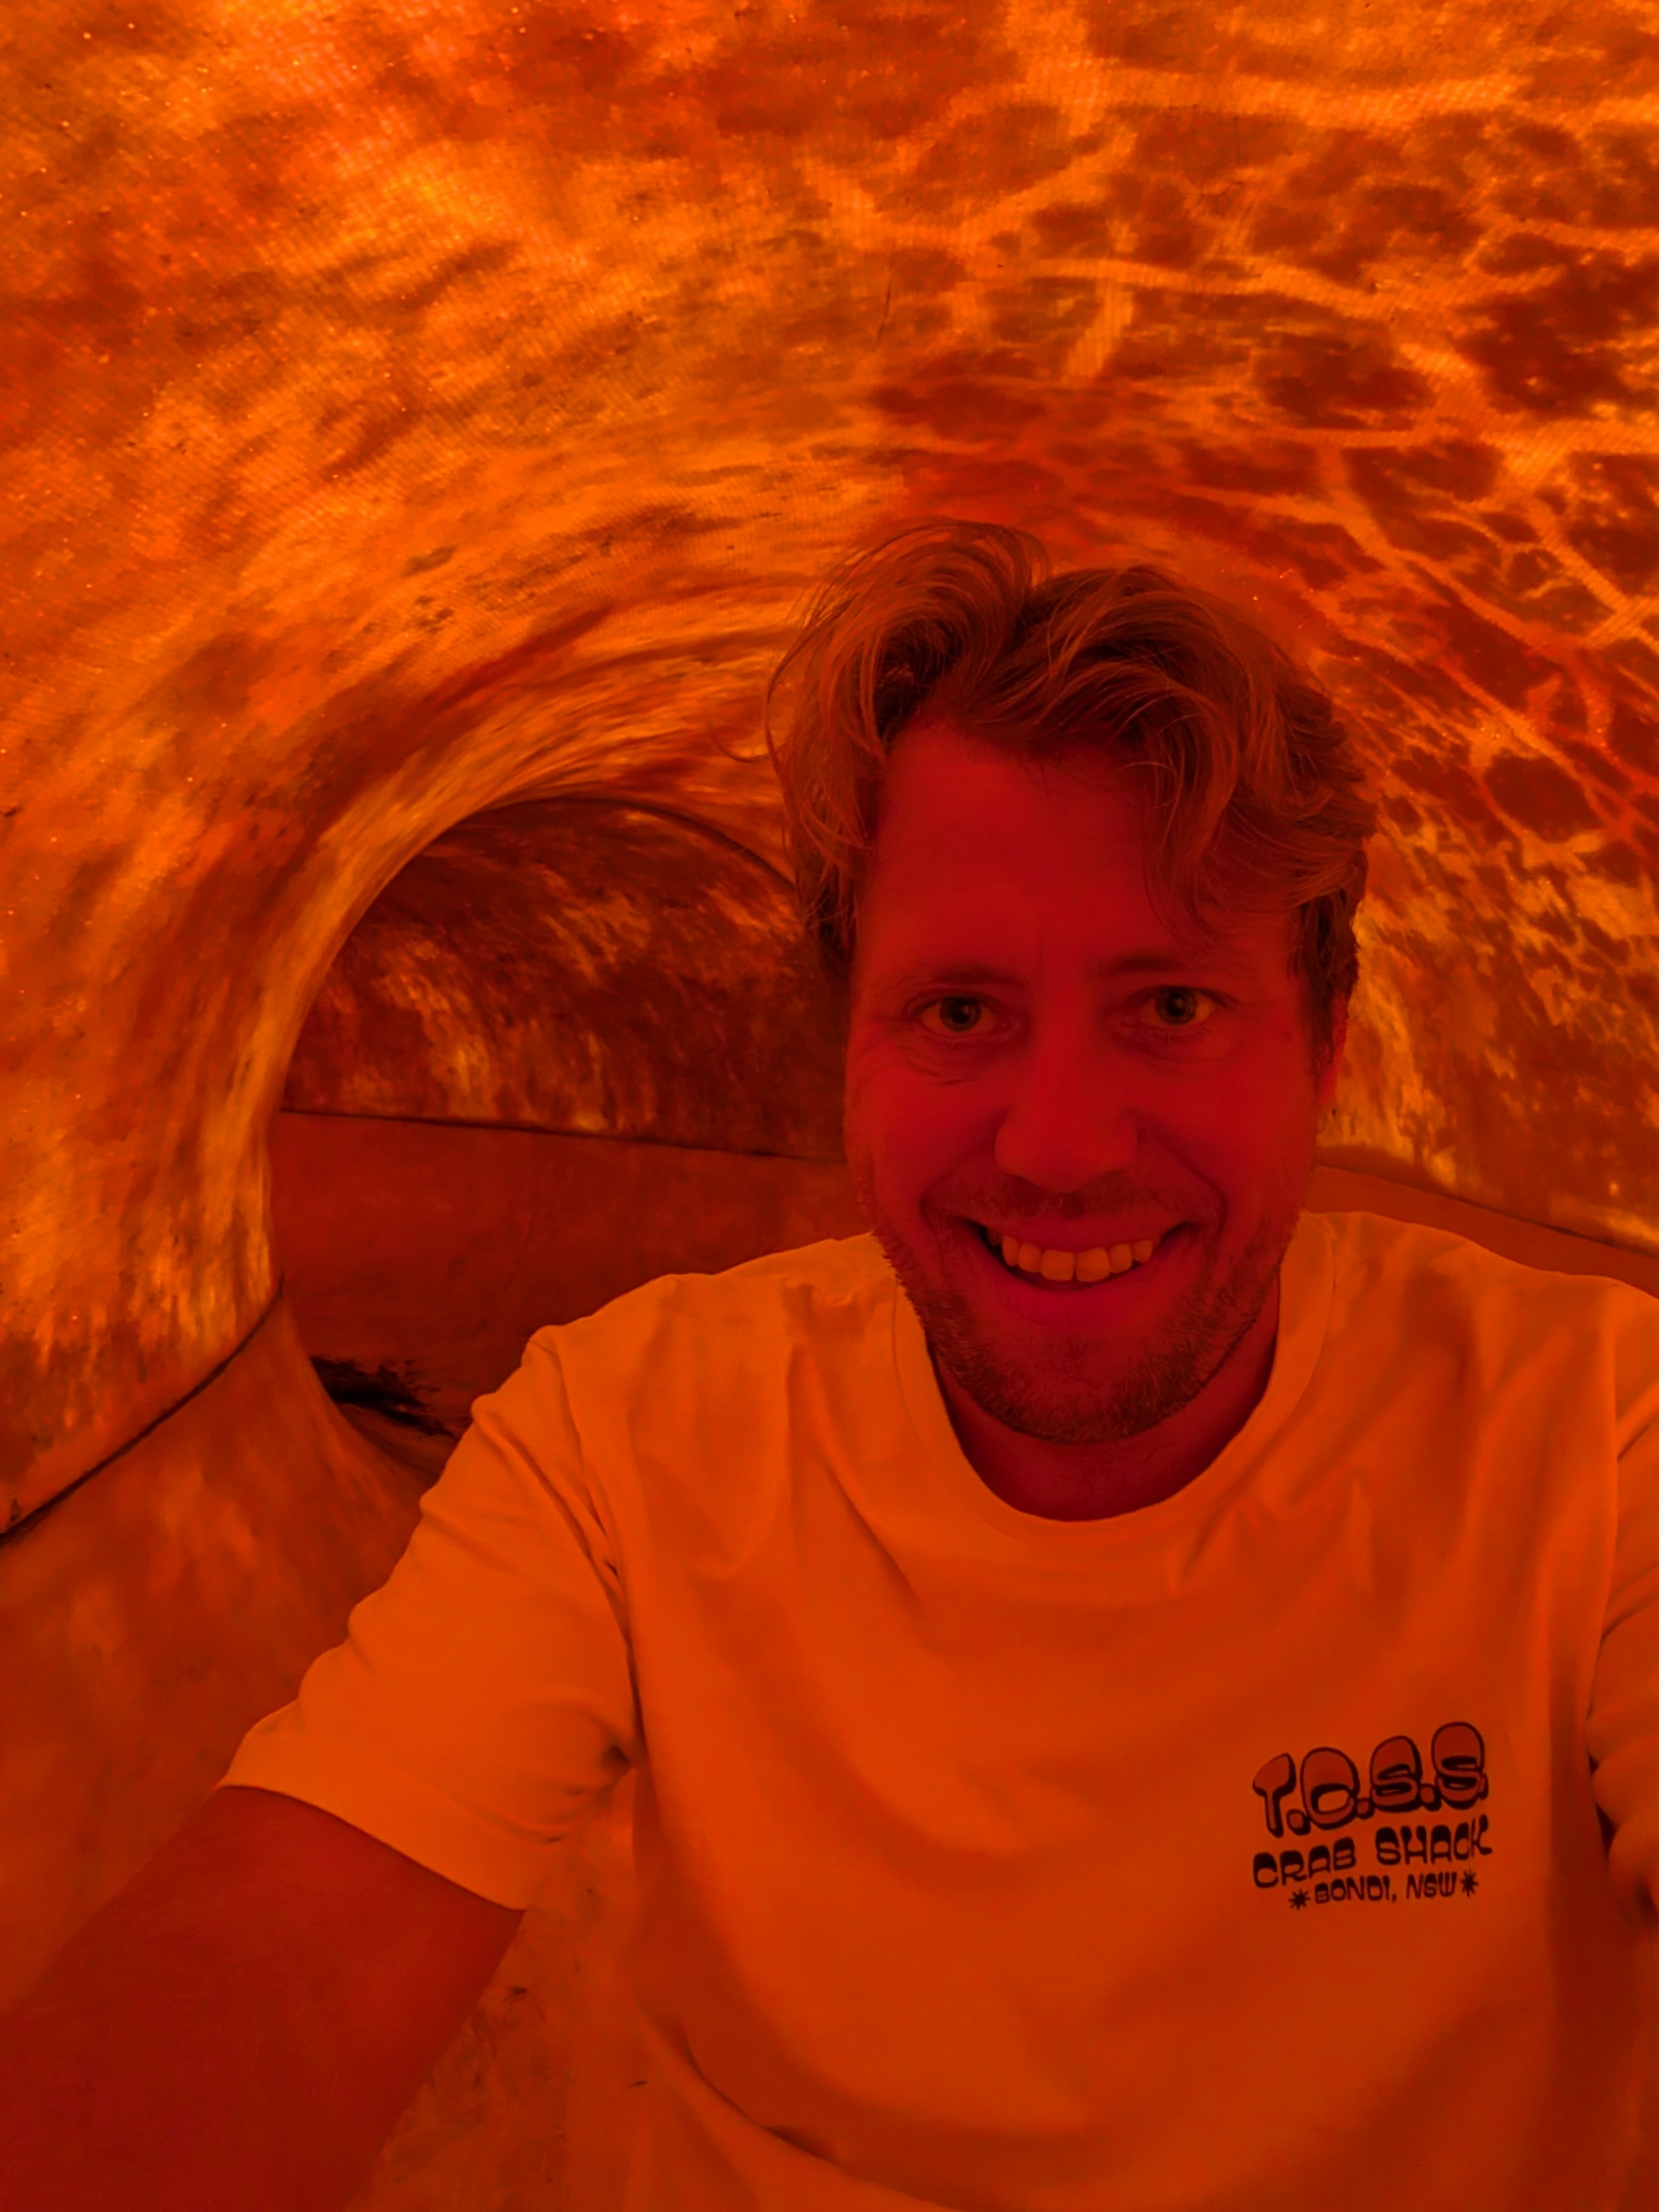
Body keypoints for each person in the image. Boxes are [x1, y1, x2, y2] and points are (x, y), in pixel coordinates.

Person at [3, 521, 1657, 2212]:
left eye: (1170, 1007)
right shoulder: (629, 1438)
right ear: (845, 1042)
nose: (1060, 1142)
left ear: (1328, 1048)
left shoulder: (1595, 1439)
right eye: (961, 1013)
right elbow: (286, 1947)